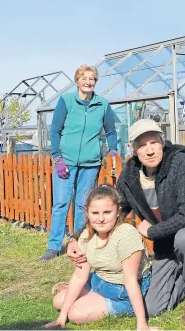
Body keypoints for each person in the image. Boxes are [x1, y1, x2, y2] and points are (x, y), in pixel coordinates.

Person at [66, 119, 185, 328]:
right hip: (165, 241)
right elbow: (113, 210)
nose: (149, 150)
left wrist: (153, 230)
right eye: (142, 145)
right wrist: (75, 239)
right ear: (134, 150)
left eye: (154, 143)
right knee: (153, 308)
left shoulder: (180, 164)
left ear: (162, 143)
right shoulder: (130, 174)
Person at [45, 185, 156, 330]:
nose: (101, 219)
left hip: (121, 291)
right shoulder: (85, 235)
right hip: (99, 280)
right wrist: (61, 317)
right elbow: (79, 276)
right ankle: (90, 295)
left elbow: (130, 281)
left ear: (118, 212)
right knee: (58, 302)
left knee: (75, 314)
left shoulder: (126, 235)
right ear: (88, 213)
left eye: (107, 212)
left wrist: (142, 324)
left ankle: (106, 302)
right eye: (95, 213)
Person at [40, 64, 118, 261]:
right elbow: (55, 130)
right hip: (65, 161)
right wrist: (57, 157)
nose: (88, 82)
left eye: (92, 79)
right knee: (61, 203)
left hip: (90, 163)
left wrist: (114, 149)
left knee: (83, 205)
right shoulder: (66, 101)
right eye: (84, 78)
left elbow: (110, 131)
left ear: (95, 82)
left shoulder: (102, 104)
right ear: (77, 81)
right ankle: (54, 247)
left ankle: (79, 243)